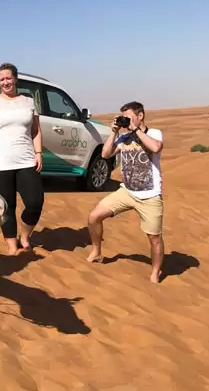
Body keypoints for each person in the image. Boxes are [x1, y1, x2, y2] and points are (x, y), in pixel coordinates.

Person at [86, 101, 165, 283]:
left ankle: (155, 271)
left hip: (150, 195)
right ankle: (97, 251)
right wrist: (114, 132)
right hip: (126, 192)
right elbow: (105, 154)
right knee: (94, 217)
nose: (126, 121)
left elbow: (155, 148)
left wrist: (136, 130)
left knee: (154, 237)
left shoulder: (153, 133)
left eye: (128, 117)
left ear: (140, 116)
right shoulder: (124, 139)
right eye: (124, 118)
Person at [0, 63, 44, 255]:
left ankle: (25, 236)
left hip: (26, 160)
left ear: (15, 79)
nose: (6, 82)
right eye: (2, 79)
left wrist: (39, 153)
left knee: (35, 202)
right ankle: (12, 246)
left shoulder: (29, 102)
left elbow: (36, 130)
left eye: (8, 78)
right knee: (6, 206)